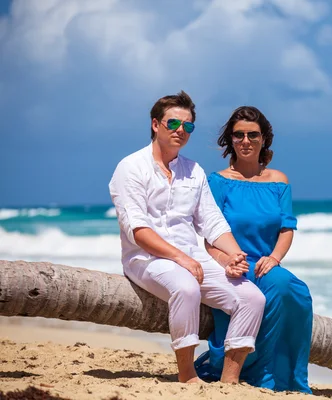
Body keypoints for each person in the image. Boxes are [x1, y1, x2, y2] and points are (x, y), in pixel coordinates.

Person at [108, 91, 266, 385]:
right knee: (186, 287)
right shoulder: (130, 167)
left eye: (188, 126)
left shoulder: (193, 171)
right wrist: (181, 258)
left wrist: (233, 256)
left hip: (192, 257)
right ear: (156, 124)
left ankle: (228, 380)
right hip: (145, 258)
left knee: (252, 298)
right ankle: (187, 376)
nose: (180, 130)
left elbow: (213, 222)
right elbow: (138, 231)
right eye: (173, 124)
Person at [194, 106, 313, 393]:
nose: (245, 141)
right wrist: (226, 261)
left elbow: (287, 228)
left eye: (252, 135)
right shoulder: (217, 182)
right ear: (230, 140)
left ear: (264, 139)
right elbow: (210, 236)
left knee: (290, 289)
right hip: (232, 268)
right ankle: (253, 374)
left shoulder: (278, 181)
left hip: (266, 264)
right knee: (248, 298)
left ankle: (283, 378)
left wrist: (274, 258)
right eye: (238, 135)